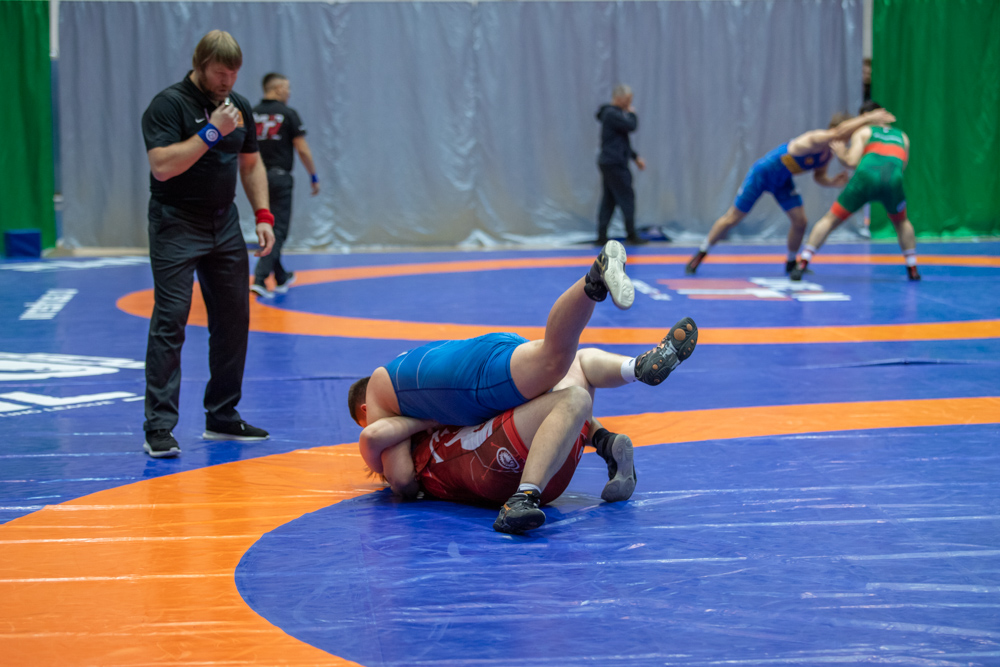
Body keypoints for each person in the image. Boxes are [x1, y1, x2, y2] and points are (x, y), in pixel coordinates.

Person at [355, 339, 694, 534]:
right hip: (502, 465)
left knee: (574, 367)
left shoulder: (427, 411)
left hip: (525, 461)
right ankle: (606, 426)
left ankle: (632, 376)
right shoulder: (399, 436)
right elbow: (381, 448)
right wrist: (428, 418)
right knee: (572, 392)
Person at [140, 30, 276, 458]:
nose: (227, 82)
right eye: (220, 73)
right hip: (176, 222)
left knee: (234, 318)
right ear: (200, 66)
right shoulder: (168, 104)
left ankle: (222, 415)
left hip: (223, 223)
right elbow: (162, 167)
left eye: (233, 74)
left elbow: (251, 164)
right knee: (171, 321)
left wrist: (263, 215)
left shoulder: (239, 107)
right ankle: (159, 427)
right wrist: (213, 132)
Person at [685, 107, 897, 275]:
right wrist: (868, 118)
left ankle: (790, 261)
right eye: (848, 134)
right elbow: (837, 133)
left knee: (800, 221)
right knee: (733, 217)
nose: (847, 140)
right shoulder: (815, 138)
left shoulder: (827, 154)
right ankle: (702, 252)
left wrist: (832, 182)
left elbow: (819, 176)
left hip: (782, 181)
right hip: (762, 174)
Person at [791, 101, 919, 282]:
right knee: (901, 222)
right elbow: (902, 166)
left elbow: (851, 162)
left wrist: (841, 153)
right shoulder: (903, 136)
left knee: (830, 219)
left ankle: (803, 261)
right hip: (893, 179)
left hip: (865, 178)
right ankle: (912, 267)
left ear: (866, 117)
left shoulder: (864, 131)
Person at [251, 73, 319, 298]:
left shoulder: (251, 113)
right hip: (279, 177)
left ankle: (281, 276)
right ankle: (260, 278)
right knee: (278, 229)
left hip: (255, 178)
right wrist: (313, 175)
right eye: (287, 88)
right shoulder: (288, 114)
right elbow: (302, 148)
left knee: (265, 223)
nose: (289, 93)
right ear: (278, 88)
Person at [595, 84, 647, 246]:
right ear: (619, 98)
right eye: (628, 100)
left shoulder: (611, 114)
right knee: (627, 197)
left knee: (609, 199)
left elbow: (622, 142)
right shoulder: (612, 114)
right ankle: (631, 235)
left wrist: (635, 157)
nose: (629, 104)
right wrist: (632, 114)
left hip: (609, 161)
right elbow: (631, 126)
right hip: (615, 163)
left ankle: (601, 236)